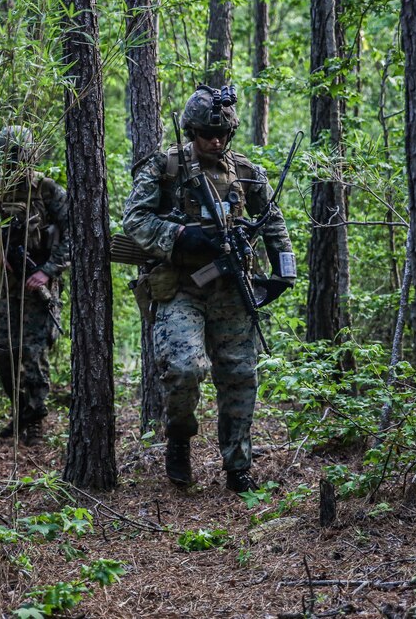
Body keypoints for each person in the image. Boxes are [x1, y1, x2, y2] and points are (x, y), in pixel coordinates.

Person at [123, 84, 296, 492]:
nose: (214, 141)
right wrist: (180, 236)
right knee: (184, 369)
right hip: (181, 286)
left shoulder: (248, 173)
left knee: (239, 375)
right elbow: (134, 220)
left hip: (233, 288)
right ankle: (179, 438)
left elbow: (274, 226)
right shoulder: (165, 168)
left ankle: (238, 466)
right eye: (205, 134)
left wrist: (282, 276)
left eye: (221, 134)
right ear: (191, 131)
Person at [0, 126, 69, 447]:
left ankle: (36, 418)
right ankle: (21, 410)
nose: (13, 163)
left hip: (36, 288)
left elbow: (73, 233)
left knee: (33, 354)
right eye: (8, 156)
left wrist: (47, 271)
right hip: (4, 286)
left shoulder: (47, 191)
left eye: (18, 155)